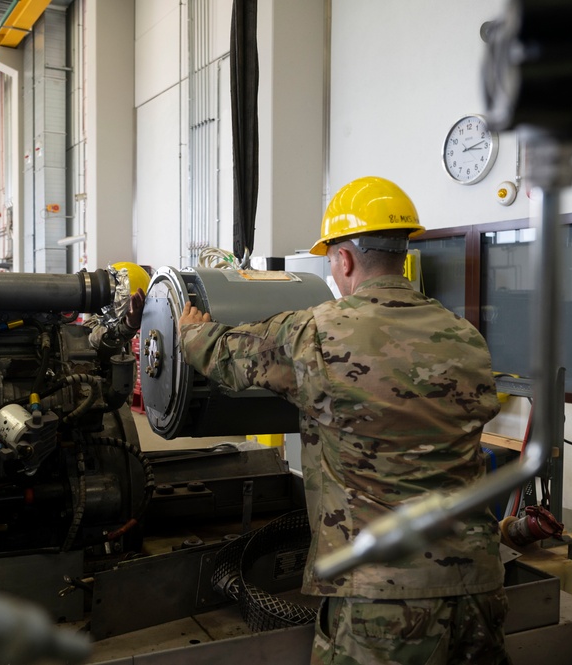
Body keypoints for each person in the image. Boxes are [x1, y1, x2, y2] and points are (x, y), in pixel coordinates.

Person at [177, 177, 509, 664]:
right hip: (478, 583)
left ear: (345, 259)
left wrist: (187, 331)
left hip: (382, 596)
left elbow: (225, 355)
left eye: (330, 258)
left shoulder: (317, 332)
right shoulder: (464, 335)